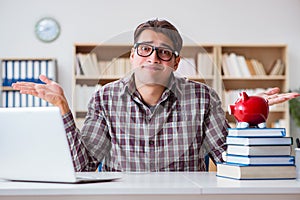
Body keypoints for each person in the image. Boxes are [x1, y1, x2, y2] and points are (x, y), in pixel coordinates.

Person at [12, 19, 300, 172]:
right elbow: (84, 167)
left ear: (175, 61)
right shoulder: (104, 98)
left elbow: (227, 161)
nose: (153, 58)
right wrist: (63, 107)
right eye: (145, 49)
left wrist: (249, 120)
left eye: (164, 52)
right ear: (133, 55)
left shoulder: (203, 98)